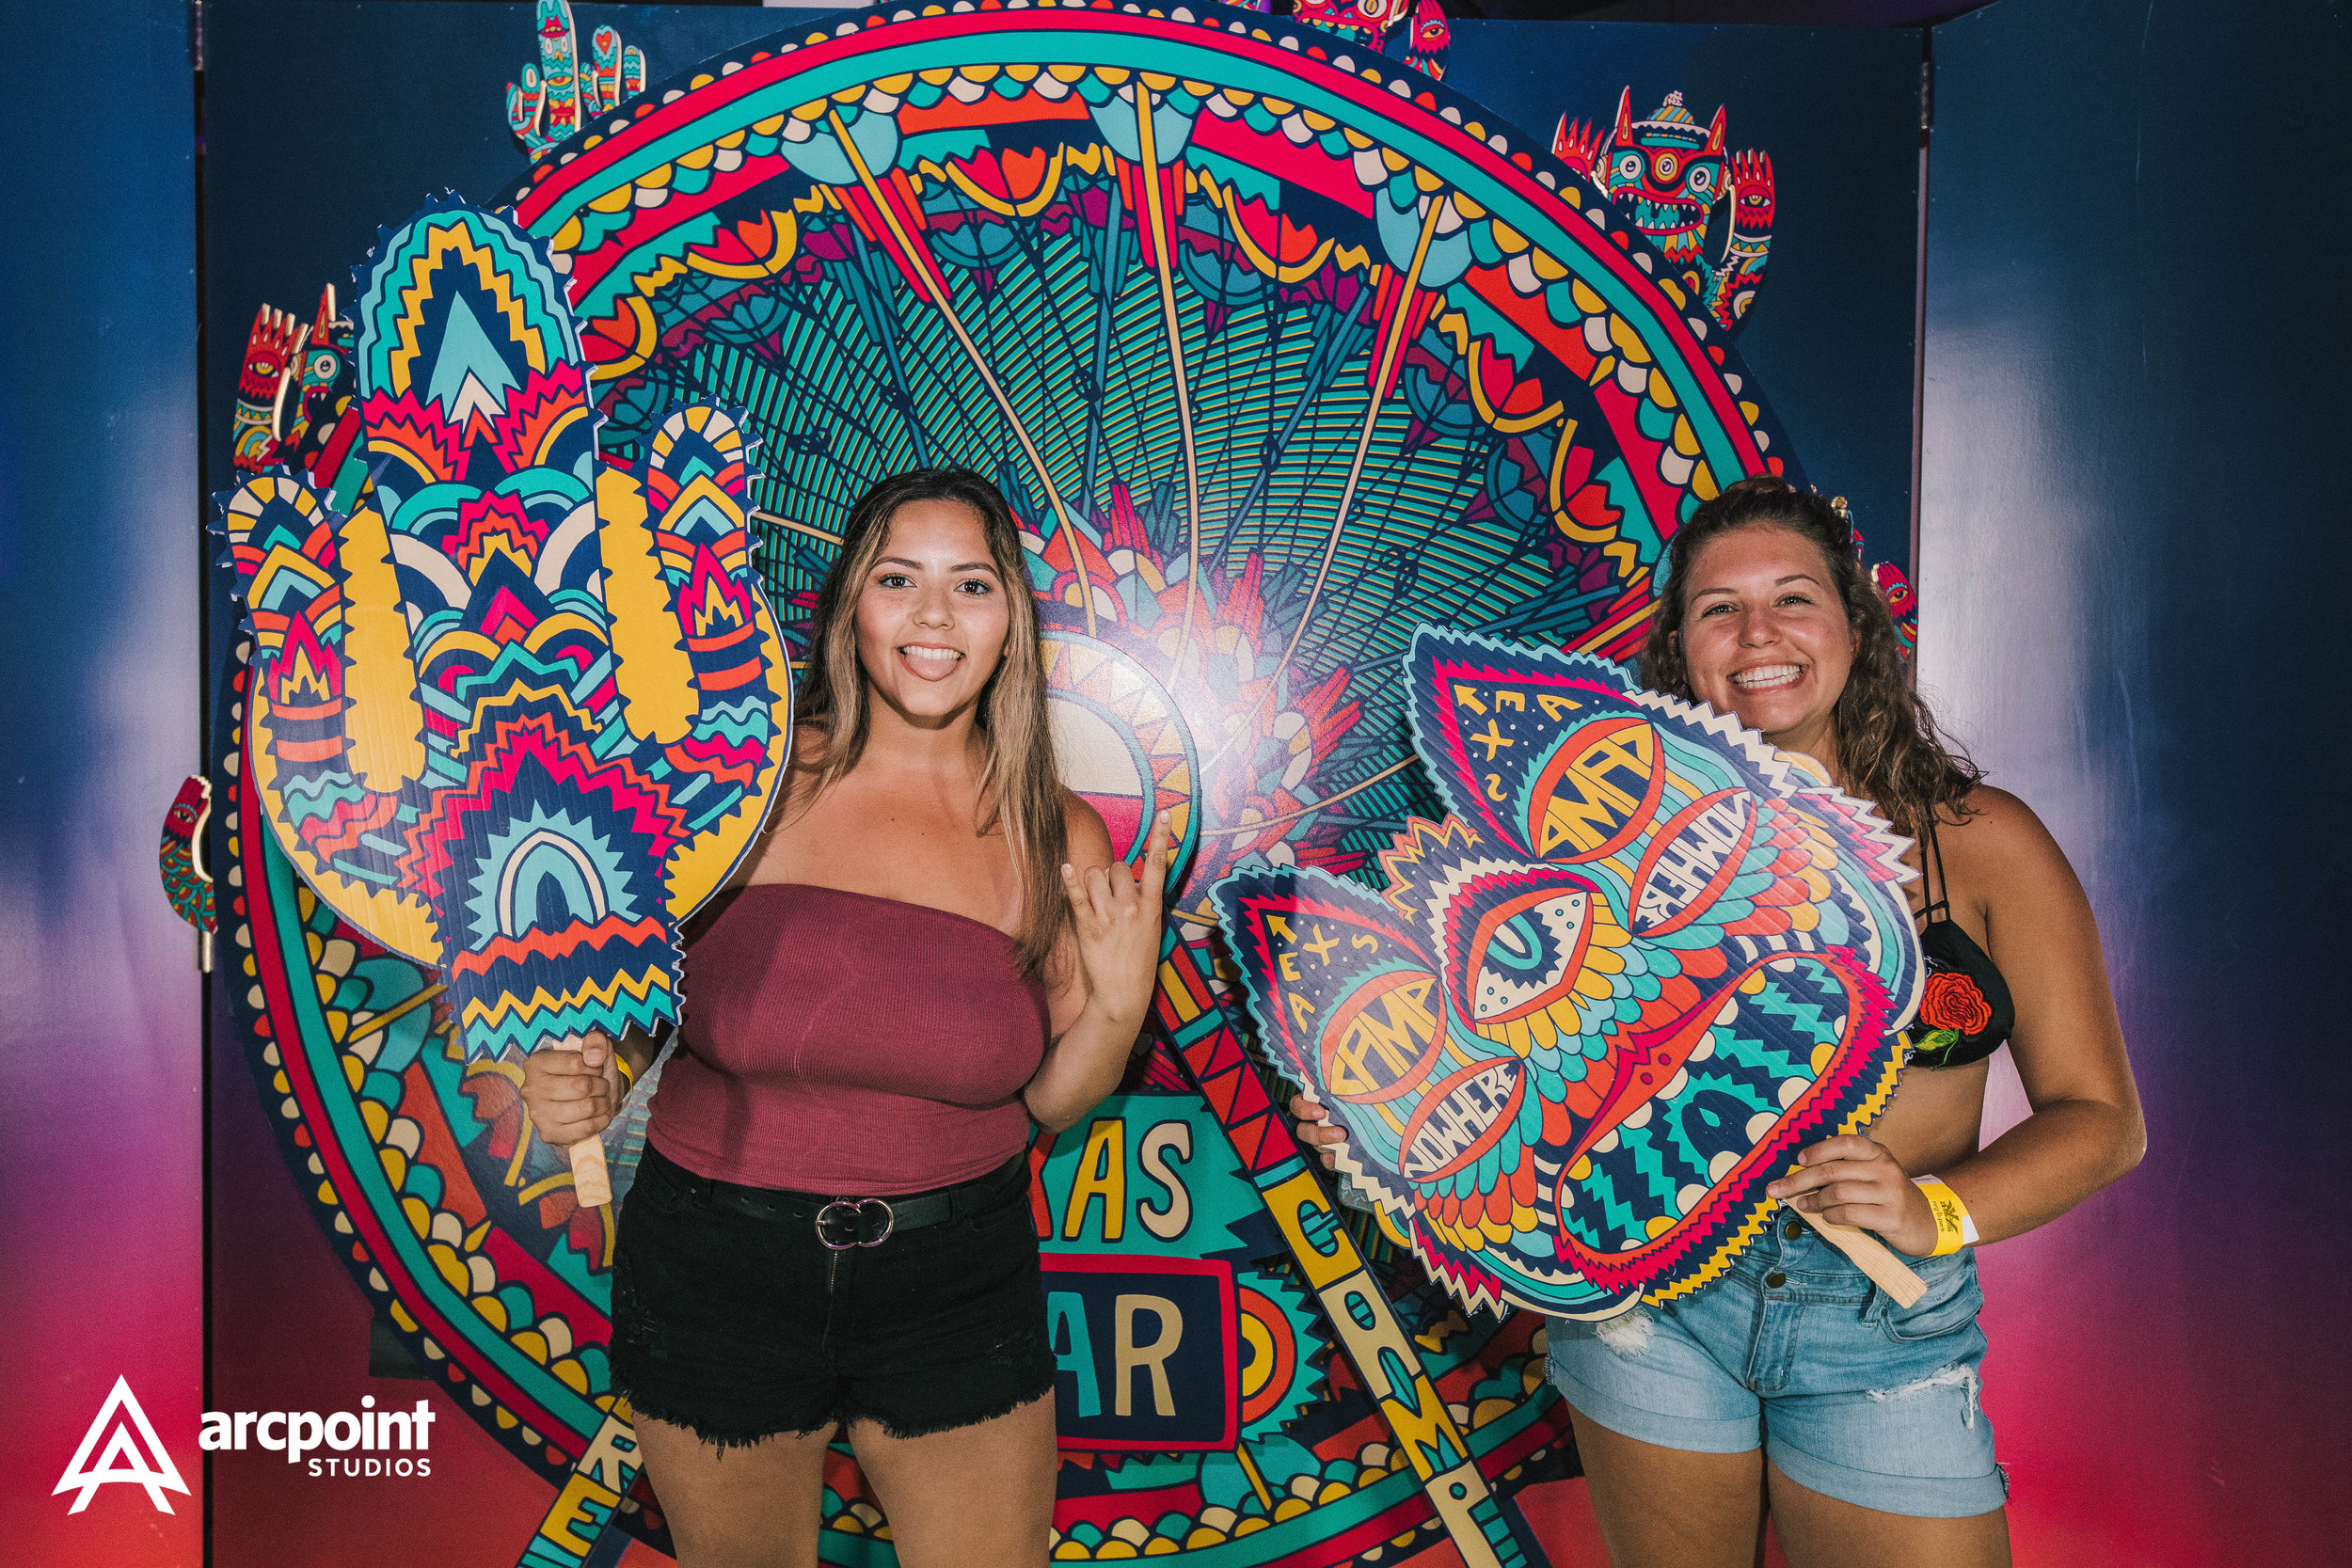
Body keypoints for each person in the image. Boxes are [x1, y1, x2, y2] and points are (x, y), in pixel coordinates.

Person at [1293, 476, 2144, 1566]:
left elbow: (2101, 1119)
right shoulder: (1582, 855)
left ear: (1854, 623)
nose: (1758, 635)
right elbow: (1490, 1079)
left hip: (1880, 1316)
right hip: (1655, 1300)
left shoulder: (1976, 840)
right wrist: (1380, 1117)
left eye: (1793, 598)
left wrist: (1936, 1207)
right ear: (1679, 648)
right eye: (1716, 609)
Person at [520, 467, 1168, 1568]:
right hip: (717, 1267)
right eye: (895, 578)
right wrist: (594, 1068)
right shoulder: (738, 784)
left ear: (1010, 619)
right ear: (847, 611)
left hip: (954, 1283)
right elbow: (636, 1009)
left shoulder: (1060, 833)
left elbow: (1054, 1096)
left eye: (968, 582)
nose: (930, 614)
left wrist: (1117, 1000)